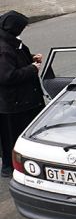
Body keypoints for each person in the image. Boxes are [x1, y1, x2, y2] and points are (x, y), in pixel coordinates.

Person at [0, 11, 45, 178]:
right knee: (13, 139)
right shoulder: (4, 48)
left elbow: (13, 62)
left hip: (15, 103)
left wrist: (31, 58)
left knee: (12, 137)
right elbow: (7, 76)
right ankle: (11, 168)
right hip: (14, 104)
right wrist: (32, 68)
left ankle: (13, 165)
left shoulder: (8, 41)